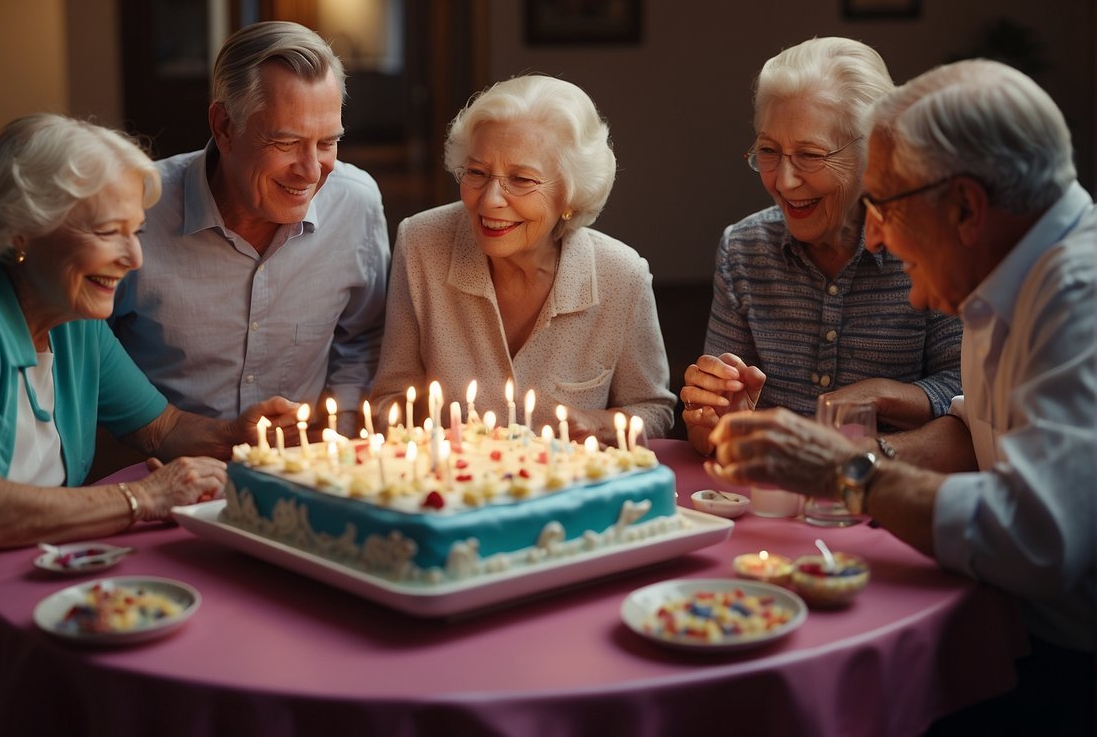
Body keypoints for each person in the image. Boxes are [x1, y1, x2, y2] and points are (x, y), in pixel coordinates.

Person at [708, 59, 1095, 734]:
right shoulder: (1003, 278)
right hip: (1011, 629)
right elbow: (971, 429)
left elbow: (1036, 540)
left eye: (883, 205)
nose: (875, 235)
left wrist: (844, 470)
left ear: (965, 207)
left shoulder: (1077, 298)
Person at [0, 115, 296, 735]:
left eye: (135, 232)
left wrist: (238, 435)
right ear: (24, 231)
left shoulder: (72, 316)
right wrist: (145, 498)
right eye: (109, 233)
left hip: (34, 594)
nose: (133, 258)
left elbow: (162, 430)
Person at [681, 37, 963, 455]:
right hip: (778, 496)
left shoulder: (930, 246)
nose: (785, 181)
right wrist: (714, 417)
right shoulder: (743, 249)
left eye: (811, 155)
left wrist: (880, 396)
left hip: (895, 495)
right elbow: (712, 434)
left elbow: (967, 393)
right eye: (769, 151)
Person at [111, 21, 390, 433]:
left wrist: (336, 428)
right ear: (224, 127)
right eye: (285, 143)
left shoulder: (356, 204)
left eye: (327, 142)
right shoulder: (134, 210)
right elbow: (86, 353)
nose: (311, 172)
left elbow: (363, 339)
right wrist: (159, 434)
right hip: (158, 466)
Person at [370, 75, 675, 443]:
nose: (490, 201)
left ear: (571, 194)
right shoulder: (422, 242)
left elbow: (653, 410)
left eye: (522, 179)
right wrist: (422, 436)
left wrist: (597, 423)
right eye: (477, 173)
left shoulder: (621, 275)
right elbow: (391, 396)